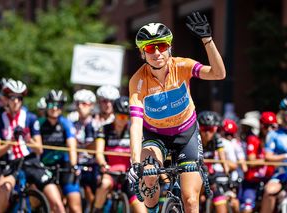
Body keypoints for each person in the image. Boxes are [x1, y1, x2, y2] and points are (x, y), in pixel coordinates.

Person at [127, 11, 226, 213]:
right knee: (149, 174)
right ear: (142, 53)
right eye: (150, 48)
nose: (157, 53)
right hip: (155, 136)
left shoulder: (182, 66)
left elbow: (218, 74)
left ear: (169, 48)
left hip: (186, 133)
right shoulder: (137, 81)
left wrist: (207, 40)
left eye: (162, 46)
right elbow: (136, 124)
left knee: (190, 201)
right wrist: (135, 161)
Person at [0, 79, 65, 213]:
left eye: (19, 98)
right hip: (12, 162)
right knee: (4, 189)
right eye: (12, 97)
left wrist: (27, 138)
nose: (16, 101)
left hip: (31, 161)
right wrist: (11, 141)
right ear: (6, 99)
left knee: (57, 202)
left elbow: (39, 148)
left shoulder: (30, 118)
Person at [93, 96, 146, 213]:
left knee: (141, 209)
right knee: (104, 184)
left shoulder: (132, 130)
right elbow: (99, 153)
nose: (124, 120)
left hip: (128, 174)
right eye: (121, 116)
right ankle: (96, 210)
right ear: (114, 114)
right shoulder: (104, 130)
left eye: (127, 117)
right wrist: (103, 164)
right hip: (110, 172)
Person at [40, 89, 81, 213]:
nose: (55, 108)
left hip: (65, 166)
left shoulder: (66, 124)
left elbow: (72, 146)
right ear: (46, 105)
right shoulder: (40, 123)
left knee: (75, 206)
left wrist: (73, 164)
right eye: (52, 104)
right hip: (45, 166)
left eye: (58, 105)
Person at [240, 112, 276, 213]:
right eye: (266, 126)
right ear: (261, 126)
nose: (269, 129)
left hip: (270, 181)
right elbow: (251, 162)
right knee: (247, 208)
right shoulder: (254, 139)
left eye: (272, 126)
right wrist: (269, 159)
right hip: (252, 181)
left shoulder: (277, 140)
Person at [72, 89, 98, 211]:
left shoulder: (96, 125)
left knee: (91, 195)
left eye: (84, 103)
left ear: (91, 106)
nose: (80, 107)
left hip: (92, 165)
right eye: (78, 103)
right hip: (75, 165)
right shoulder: (72, 124)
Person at [198, 111, 229, 213]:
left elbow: (223, 159)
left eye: (211, 129)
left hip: (210, 175)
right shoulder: (194, 138)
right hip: (196, 174)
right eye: (204, 129)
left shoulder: (216, 139)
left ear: (215, 129)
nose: (207, 133)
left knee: (221, 200)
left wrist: (227, 172)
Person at [260, 99, 287, 213]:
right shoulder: (274, 134)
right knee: (269, 192)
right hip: (281, 175)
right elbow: (268, 157)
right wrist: (285, 156)